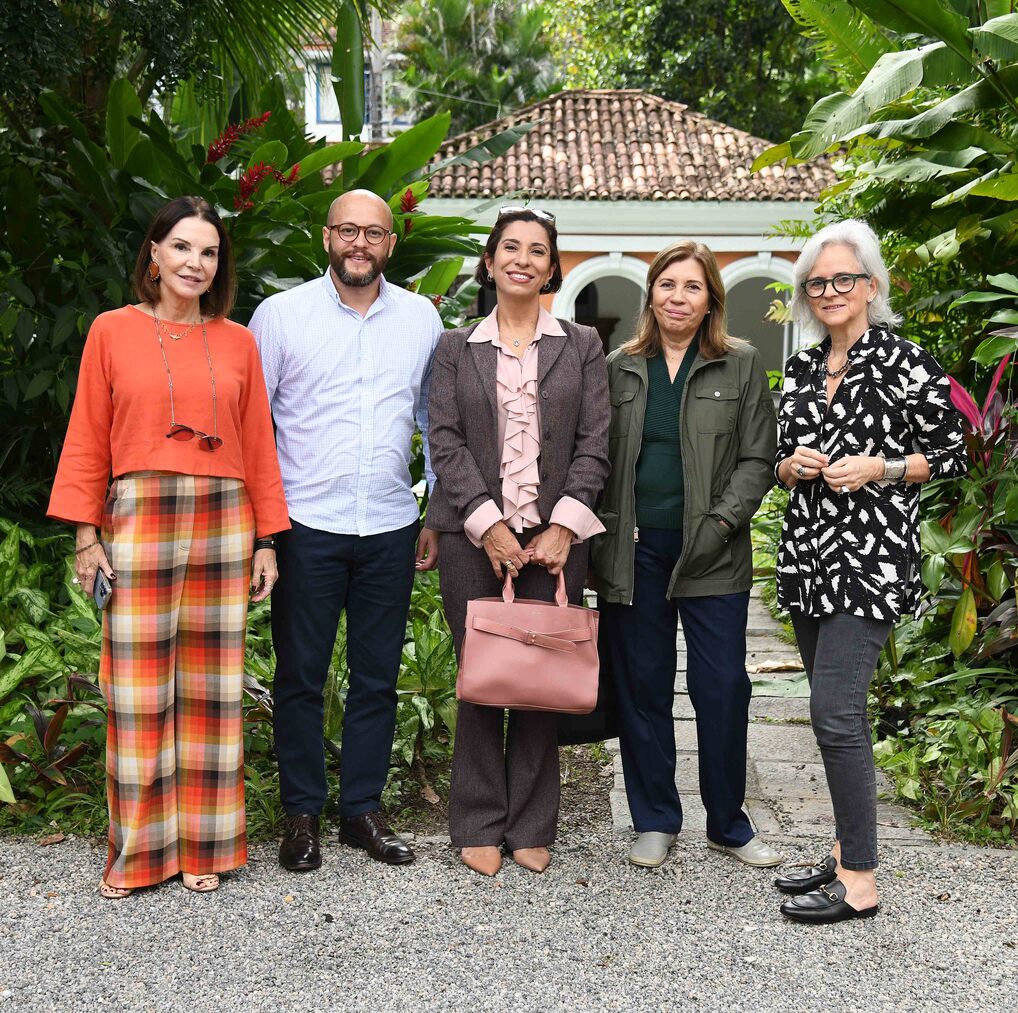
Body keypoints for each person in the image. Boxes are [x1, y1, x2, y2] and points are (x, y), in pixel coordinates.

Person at [47, 196, 290, 898]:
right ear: (153, 254)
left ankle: (202, 843)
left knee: (211, 689)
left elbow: (259, 447)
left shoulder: (239, 340)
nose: (195, 262)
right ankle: (138, 852)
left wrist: (267, 540)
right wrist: (86, 534)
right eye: (182, 247)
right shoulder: (112, 331)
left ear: (220, 266)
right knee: (136, 689)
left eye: (209, 252)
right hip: (141, 515)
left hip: (224, 518)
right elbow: (89, 433)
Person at [772, 219, 966, 923]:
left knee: (835, 711)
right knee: (835, 718)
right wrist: (791, 466)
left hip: (872, 558)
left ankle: (860, 881)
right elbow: (780, 456)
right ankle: (844, 844)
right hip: (807, 558)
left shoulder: (907, 361)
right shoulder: (800, 366)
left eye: (842, 279)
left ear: (871, 286)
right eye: (817, 282)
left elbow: (951, 455)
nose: (829, 291)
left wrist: (881, 467)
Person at [250, 189, 442, 871]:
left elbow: (431, 420)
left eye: (374, 233)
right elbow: (255, 429)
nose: (360, 243)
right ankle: (302, 814)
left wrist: (437, 511)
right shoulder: (279, 316)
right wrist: (265, 534)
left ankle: (361, 809)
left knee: (377, 676)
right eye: (348, 230)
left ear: (391, 244)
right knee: (300, 676)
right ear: (326, 236)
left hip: (390, 523)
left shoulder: (421, 319)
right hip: (306, 524)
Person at [426, 207, 610, 877]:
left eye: (538, 250)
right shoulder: (454, 346)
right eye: (511, 246)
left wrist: (563, 524)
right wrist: (487, 521)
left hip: (557, 541)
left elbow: (596, 439)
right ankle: (476, 819)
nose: (523, 259)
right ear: (489, 260)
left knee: (541, 679)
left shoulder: (581, 342)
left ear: (552, 266)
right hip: (472, 537)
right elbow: (442, 438)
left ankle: (533, 823)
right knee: (481, 676)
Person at [591, 240, 782, 871]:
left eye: (693, 287)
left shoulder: (742, 363)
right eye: (668, 285)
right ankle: (654, 818)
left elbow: (758, 457)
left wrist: (725, 518)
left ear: (710, 302)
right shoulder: (617, 365)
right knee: (643, 687)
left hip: (714, 551)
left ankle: (727, 822)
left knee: (722, 687)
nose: (679, 297)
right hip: (635, 552)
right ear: (652, 294)